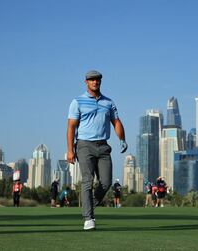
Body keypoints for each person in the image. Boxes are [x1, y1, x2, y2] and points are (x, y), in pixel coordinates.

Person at [67, 70, 128, 230]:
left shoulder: (109, 102)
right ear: (86, 82)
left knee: (106, 183)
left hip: (103, 146)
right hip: (84, 145)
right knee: (87, 180)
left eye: (98, 80)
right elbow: (71, 126)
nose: (95, 82)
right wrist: (70, 150)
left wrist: (122, 139)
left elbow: (116, 122)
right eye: (92, 80)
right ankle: (88, 218)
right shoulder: (77, 101)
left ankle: (88, 206)